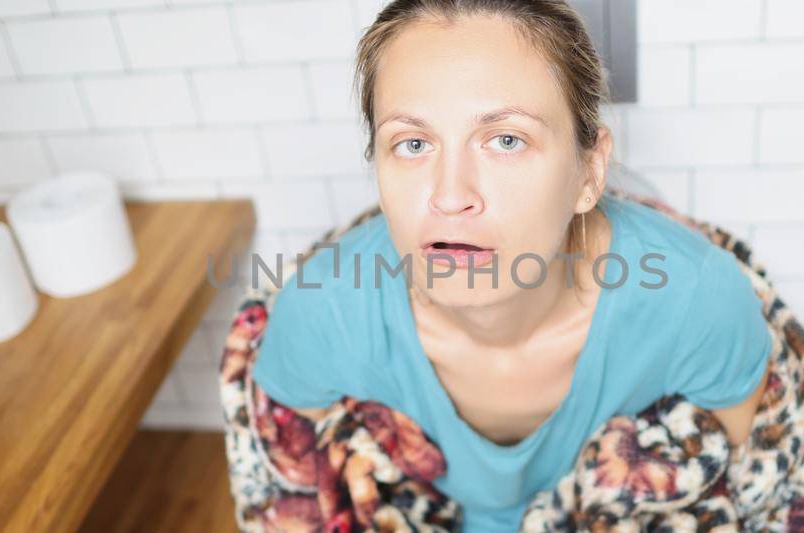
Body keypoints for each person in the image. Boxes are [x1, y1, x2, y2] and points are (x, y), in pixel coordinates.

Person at [250, 1, 775, 530]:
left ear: (589, 172)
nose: (451, 197)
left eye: (507, 140)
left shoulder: (697, 302)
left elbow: (737, 482)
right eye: (412, 143)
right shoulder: (322, 314)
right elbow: (303, 483)